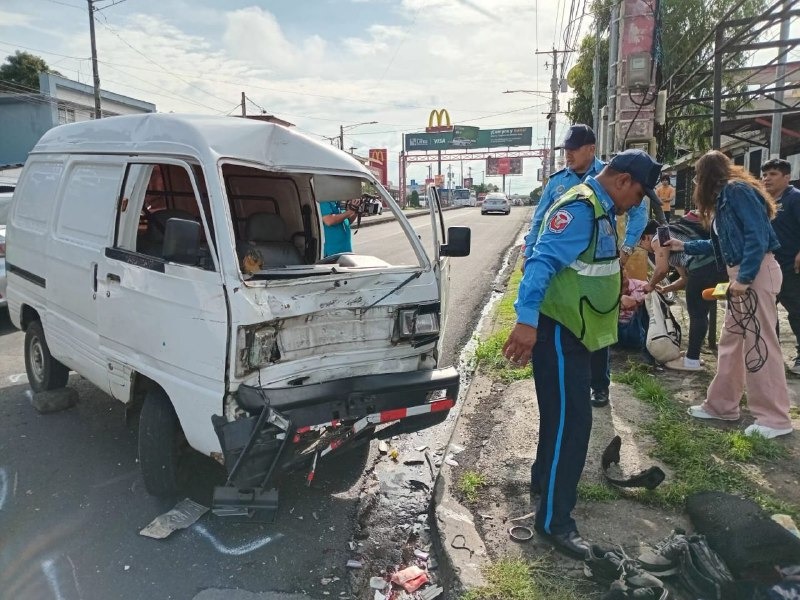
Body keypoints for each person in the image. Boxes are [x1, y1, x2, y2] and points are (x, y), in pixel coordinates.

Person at [503, 149, 662, 558]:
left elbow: (596, 268)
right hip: (560, 333)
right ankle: (556, 522)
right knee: (571, 425)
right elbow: (540, 264)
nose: (639, 204)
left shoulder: (603, 211)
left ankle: (545, 482)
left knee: (561, 421)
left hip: (580, 332)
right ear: (623, 180)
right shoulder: (579, 209)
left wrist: (620, 294)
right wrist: (525, 322)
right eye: (641, 194)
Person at [521, 124, 651, 408]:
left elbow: (638, 213)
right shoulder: (559, 184)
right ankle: (574, 386)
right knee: (570, 337)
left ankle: (599, 384)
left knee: (597, 327)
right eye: (565, 149)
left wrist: (626, 251)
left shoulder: (613, 176)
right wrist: (528, 257)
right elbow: (540, 224)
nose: (567, 154)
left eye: (573, 149)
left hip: (601, 260)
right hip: (564, 281)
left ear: (591, 149)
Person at [666, 151, 793, 439]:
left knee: (760, 347)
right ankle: (722, 406)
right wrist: (682, 246)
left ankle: (775, 419)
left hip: (754, 274)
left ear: (707, 175)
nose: (696, 181)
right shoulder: (729, 196)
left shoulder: (736, 192)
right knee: (732, 344)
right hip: (746, 274)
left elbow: (757, 237)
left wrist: (745, 278)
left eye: (697, 175)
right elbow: (721, 244)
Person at [638, 218, 727, 371]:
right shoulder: (671, 237)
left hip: (702, 269)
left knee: (697, 314)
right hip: (717, 268)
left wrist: (650, 285)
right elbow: (685, 279)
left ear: (646, 237)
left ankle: (692, 360)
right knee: (700, 313)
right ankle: (694, 354)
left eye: (641, 244)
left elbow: (661, 269)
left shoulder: (659, 236)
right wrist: (667, 289)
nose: (644, 248)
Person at [761, 158, 800, 376]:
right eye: (765, 174)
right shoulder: (764, 200)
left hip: (790, 266)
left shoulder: (795, 198)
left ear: (787, 177)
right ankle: (771, 356)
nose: (767, 178)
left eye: (773, 174)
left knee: (796, 311)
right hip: (767, 266)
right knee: (767, 313)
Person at [617, 269, 649, 351]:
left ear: (626, 272)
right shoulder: (608, 290)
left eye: (622, 268)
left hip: (637, 328)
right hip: (615, 330)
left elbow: (655, 295)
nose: (621, 272)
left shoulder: (642, 285)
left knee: (647, 302)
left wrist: (637, 301)